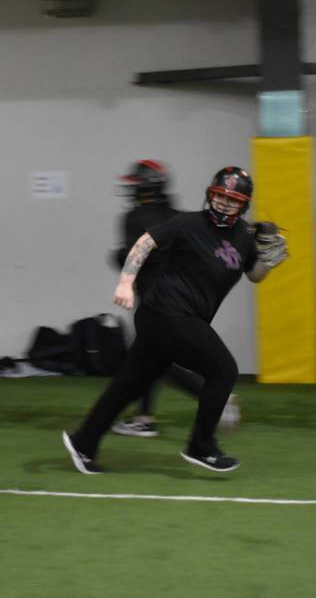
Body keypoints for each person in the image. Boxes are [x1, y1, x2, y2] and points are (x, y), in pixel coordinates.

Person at [63, 165, 284, 474]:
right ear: (210, 195)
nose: (224, 203)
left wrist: (270, 257)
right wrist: (125, 282)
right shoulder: (188, 223)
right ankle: (201, 446)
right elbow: (144, 243)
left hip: (177, 318)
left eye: (233, 199)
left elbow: (255, 275)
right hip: (164, 313)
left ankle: (83, 443)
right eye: (220, 196)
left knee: (128, 385)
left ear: (244, 204)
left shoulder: (243, 237)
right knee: (224, 370)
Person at [108, 160, 205, 438]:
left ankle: (213, 394)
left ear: (146, 187)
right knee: (150, 356)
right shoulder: (178, 216)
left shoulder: (134, 218)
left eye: (136, 184)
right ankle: (144, 418)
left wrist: (116, 257)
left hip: (155, 300)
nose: (132, 190)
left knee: (153, 361)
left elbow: (132, 259)